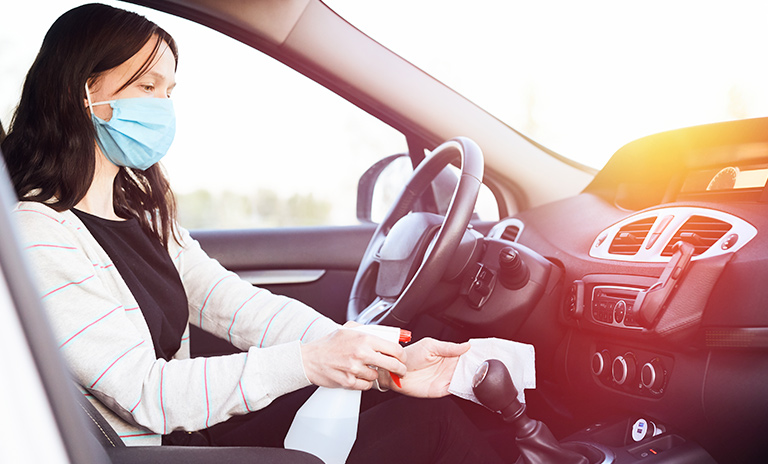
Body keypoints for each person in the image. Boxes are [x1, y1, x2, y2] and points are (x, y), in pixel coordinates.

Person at [1, 3, 509, 462]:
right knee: (430, 430)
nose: (162, 107)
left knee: (423, 415)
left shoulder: (138, 213)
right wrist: (310, 362)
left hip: (188, 437)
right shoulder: (40, 236)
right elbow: (146, 393)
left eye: (169, 91)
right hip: (155, 452)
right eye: (145, 87)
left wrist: (385, 363)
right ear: (83, 93)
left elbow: (237, 305)